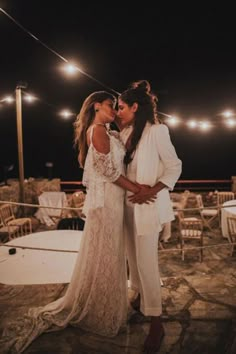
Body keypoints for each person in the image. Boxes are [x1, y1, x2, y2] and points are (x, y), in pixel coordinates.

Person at [0, 91, 149, 353]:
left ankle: (107, 304)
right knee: (106, 254)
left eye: (116, 107)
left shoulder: (106, 131)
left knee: (111, 254)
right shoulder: (98, 131)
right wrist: (137, 188)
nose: (114, 110)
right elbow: (109, 172)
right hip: (106, 203)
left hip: (113, 201)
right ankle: (100, 310)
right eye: (110, 106)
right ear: (96, 106)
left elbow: (123, 150)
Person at [116, 80, 182, 353]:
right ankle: (141, 297)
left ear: (134, 106)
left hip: (148, 206)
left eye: (121, 107)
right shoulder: (124, 133)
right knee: (133, 259)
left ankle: (156, 320)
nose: (118, 111)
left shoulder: (158, 131)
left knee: (146, 262)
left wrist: (151, 190)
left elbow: (174, 166)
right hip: (126, 207)